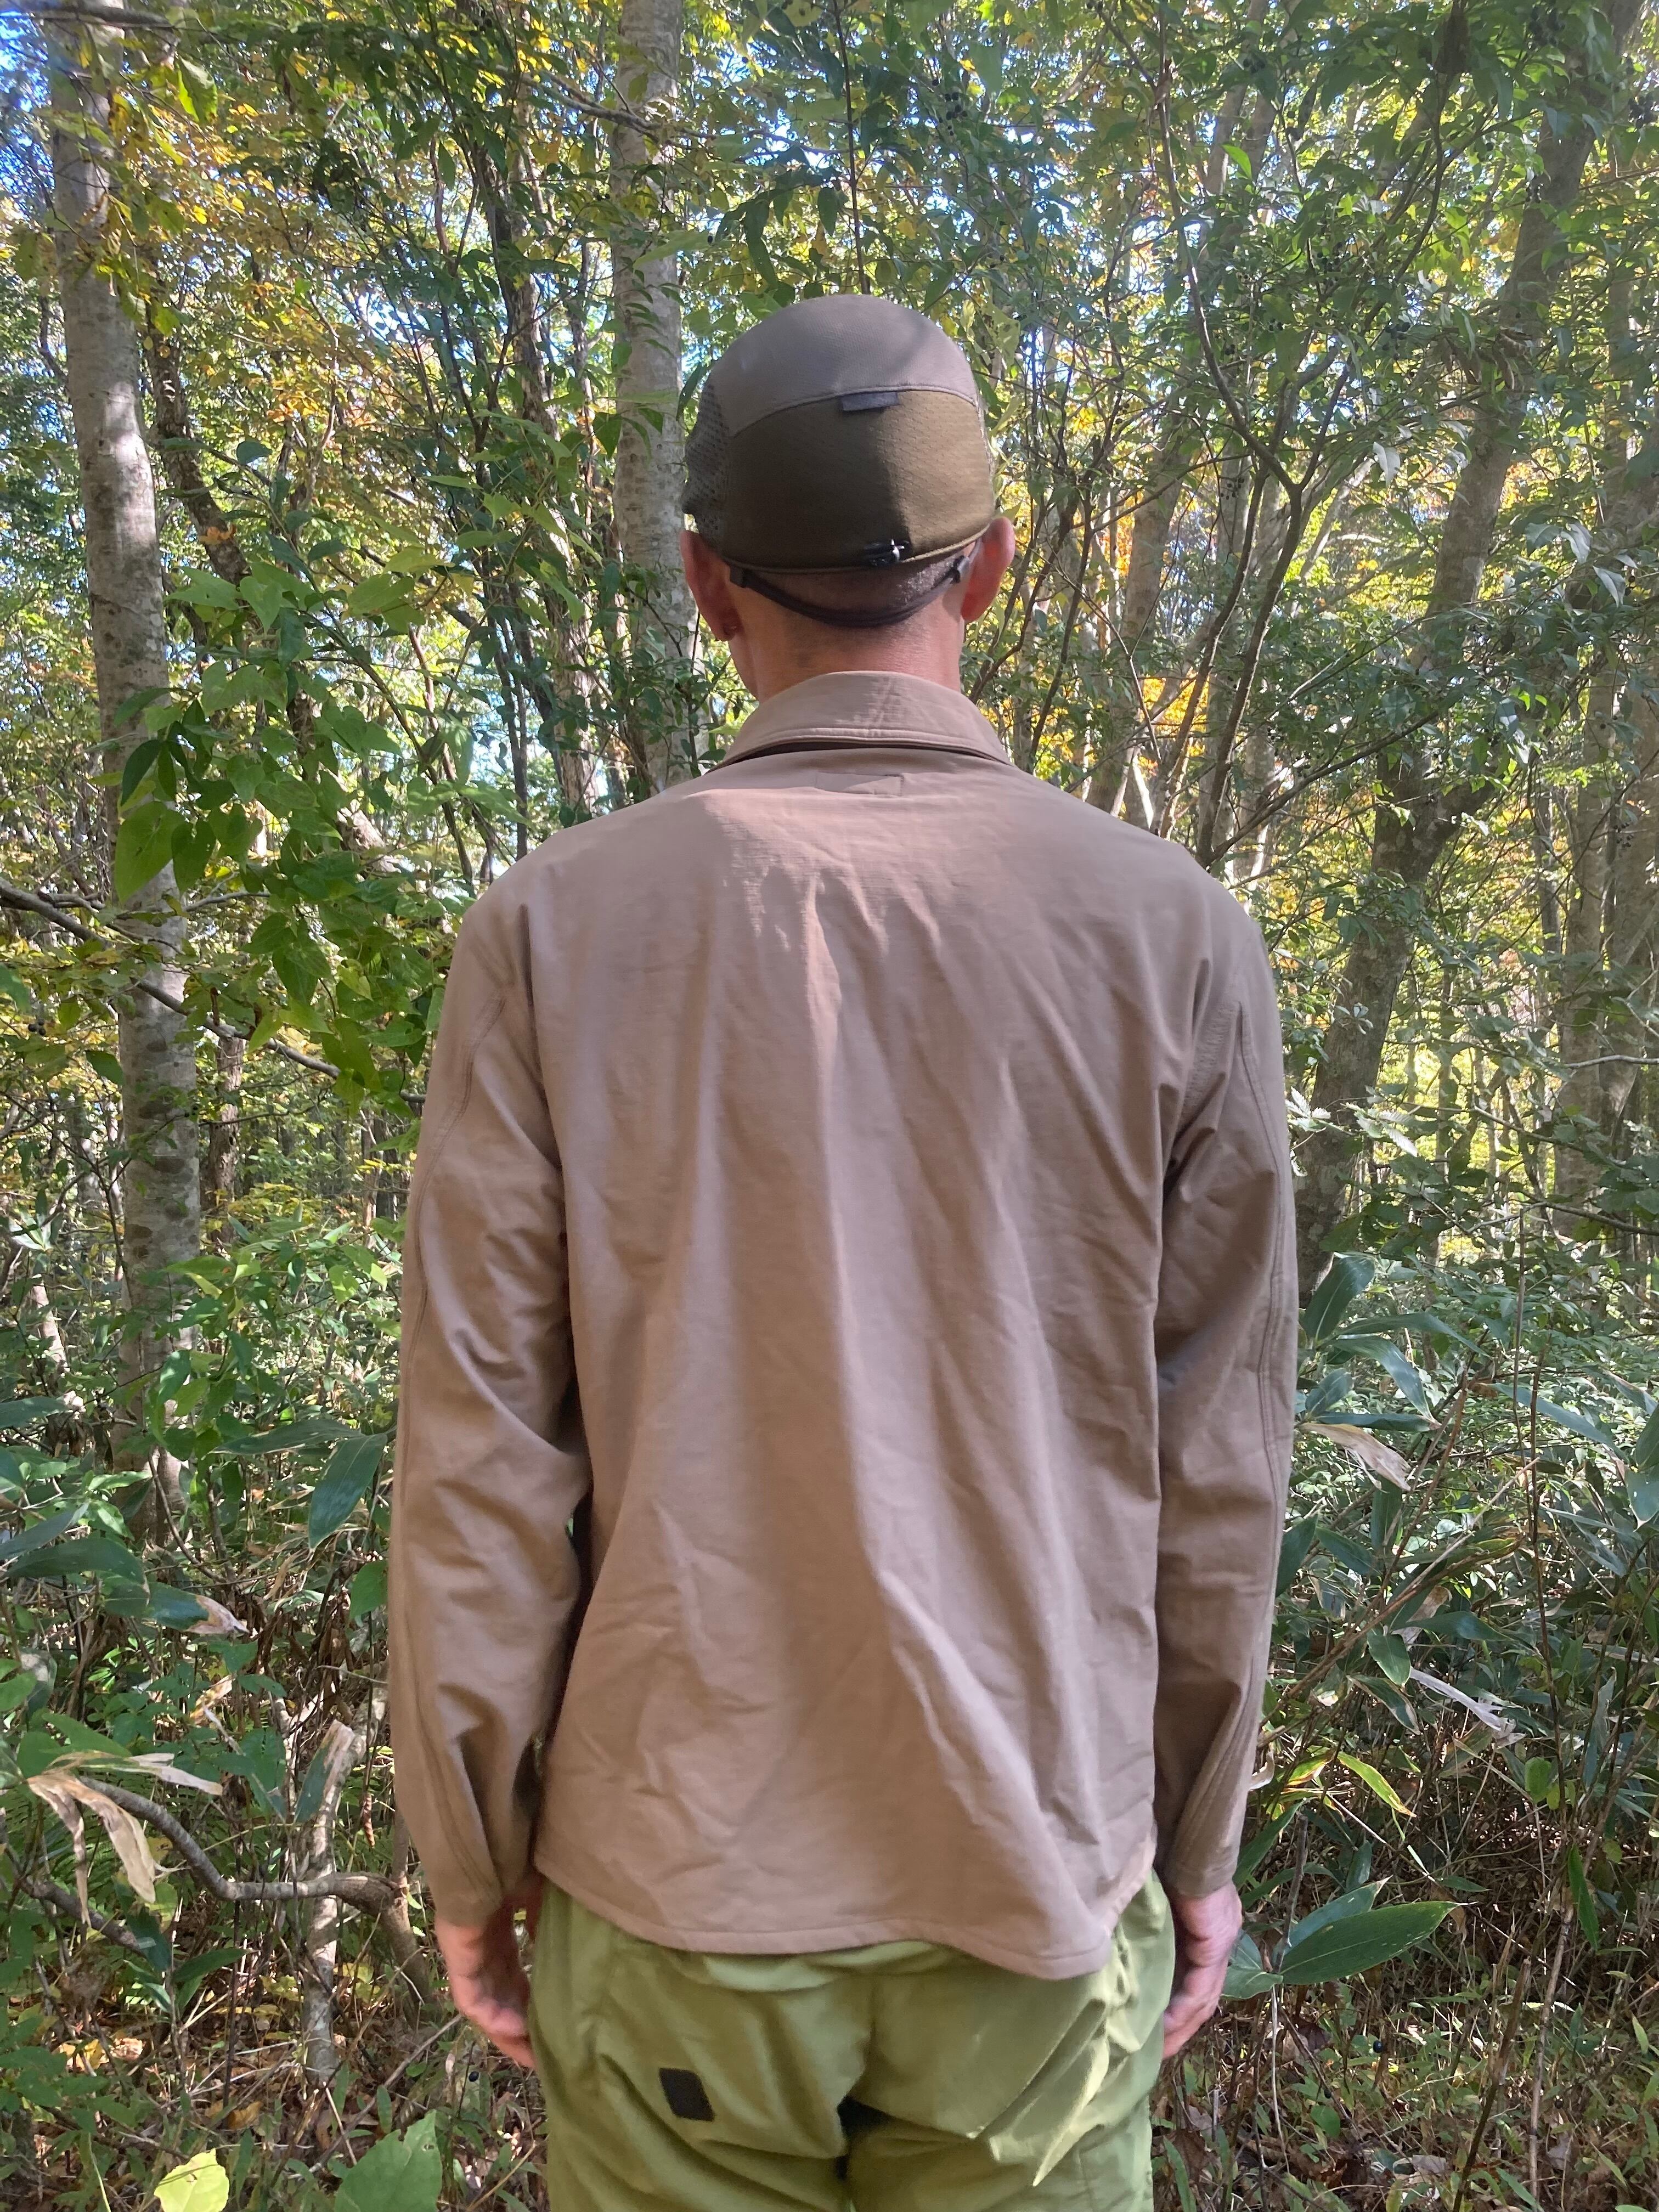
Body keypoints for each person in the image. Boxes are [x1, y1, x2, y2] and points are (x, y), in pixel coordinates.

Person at [388, 294, 1296, 2210]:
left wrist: (472, 1859)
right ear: (997, 565)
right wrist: (1194, 1842)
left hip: (679, 1889)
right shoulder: (1177, 938)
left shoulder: (551, 933)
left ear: (709, 586)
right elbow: (1218, 1471)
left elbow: (481, 1459)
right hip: (1033, 1890)